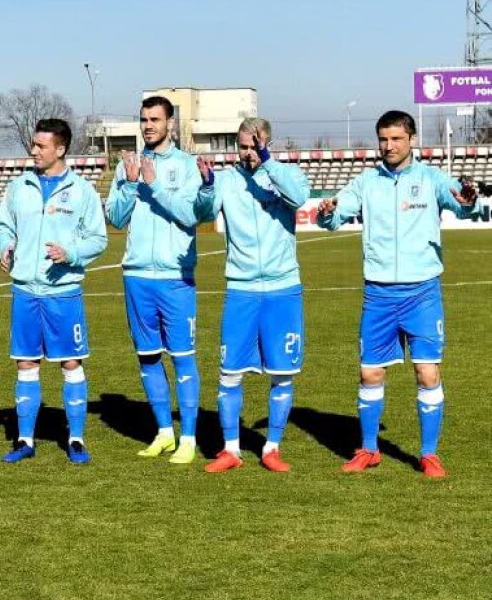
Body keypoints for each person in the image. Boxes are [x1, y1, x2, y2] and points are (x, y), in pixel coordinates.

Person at [317, 110, 478, 478]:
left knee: (427, 372)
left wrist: (467, 199)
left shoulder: (431, 178)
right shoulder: (366, 182)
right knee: (370, 373)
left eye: (396, 139)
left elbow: (461, 202)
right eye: (384, 139)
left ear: (412, 140)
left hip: (422, 293)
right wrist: (327, 212)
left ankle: (429, 454)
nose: (389, 146)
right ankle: (369, 449)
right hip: (378, 295)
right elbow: (334, 217)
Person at [194, 119, 309, 473]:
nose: (248, 153)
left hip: (282, 287)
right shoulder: (226, 181)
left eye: (255, 146)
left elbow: (299, 198)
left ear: (267, 144)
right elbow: (203, 214)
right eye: (243, 146)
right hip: (241, 288)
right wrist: (208, 187)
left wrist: (268, 162)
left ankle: (272, 447)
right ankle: (231, 449)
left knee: (282, 373)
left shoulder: (286, 174)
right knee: (230, 371)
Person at [0, 118, 107, 464]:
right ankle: (25, 440)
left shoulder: (82, 191)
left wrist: (70, 253)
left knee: (70, 362)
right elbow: (3, 225)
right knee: (26, 363)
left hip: (63, 291)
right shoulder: (19, 186)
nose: (34, 151)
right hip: (25, 290)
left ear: (60, 149)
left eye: (41, 146)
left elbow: (98, 239)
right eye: (34, 144)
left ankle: (76, 439)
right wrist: (5, 245)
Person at [105, 96, 202, 465]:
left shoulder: (187, 166)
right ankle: (164, 432)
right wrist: (131, 184)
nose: (148, 126)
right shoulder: (126, 165)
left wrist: (154, 184)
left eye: (155, 119)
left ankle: (188, 438)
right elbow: (115, 218)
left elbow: (191, 214)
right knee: (147, 356)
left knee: (182, 357)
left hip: (176, 276)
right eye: (144, 119)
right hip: (137, 275)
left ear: (170, 124)